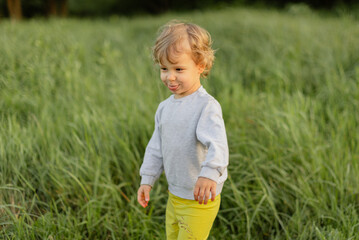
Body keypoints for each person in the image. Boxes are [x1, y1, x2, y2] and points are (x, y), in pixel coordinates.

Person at [137, 20, 229, 240]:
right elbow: (156, 147)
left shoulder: (206, 106)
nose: (170, 76)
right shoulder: (164, 108)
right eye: (164, 69)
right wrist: (147, 178)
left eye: (178, 69)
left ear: (200, 66)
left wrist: (209, 174)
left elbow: (218, 145)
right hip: (175, 194)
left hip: (200, 198)